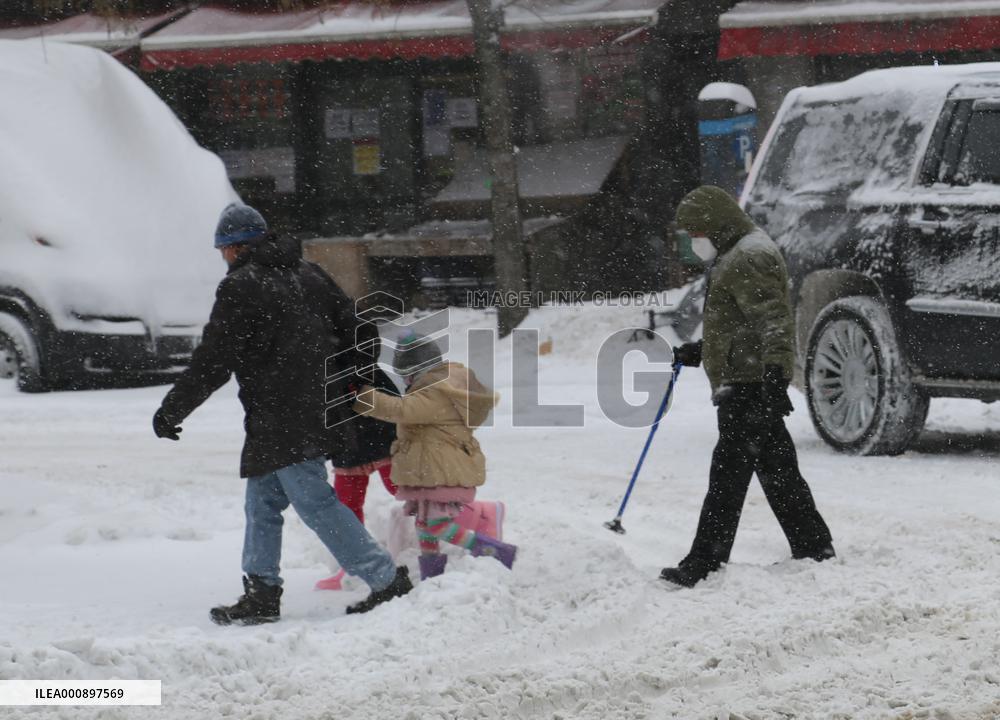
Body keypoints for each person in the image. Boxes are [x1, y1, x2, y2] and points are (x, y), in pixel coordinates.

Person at [152, 203, 412, 623]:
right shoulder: (310, 273)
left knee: (315, 503)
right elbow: (361, 329)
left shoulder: (240, 286)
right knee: (262, 502)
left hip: (283, 417)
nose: (224, 258)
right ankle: (262, 592)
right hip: (312, 409)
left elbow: (214, 359)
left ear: (234, 248)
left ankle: (385, 578)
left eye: (223, 251)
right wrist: (353, 379)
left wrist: (172, 409)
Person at [661, 185, 835, 588]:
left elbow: (774, 322)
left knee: (727, 478)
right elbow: (740, 324)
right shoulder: (736, 253)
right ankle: (814, 545)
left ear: (716, 225)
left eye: (696, 233)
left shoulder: (748, 256)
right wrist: (702, 350)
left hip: (749, 386)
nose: (693, 242)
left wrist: (775, 376)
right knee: (778, 472)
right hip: (748, 380)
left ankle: (704, 562)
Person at [354, 332, 516, 580]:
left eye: (407, 375)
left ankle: (496, 552)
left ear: (420, 370)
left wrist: (364, 396)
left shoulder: (435, 391)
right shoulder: (435, 386)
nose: (405, 381)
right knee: (424, 526)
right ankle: (432, 574)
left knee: (437, 525)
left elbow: (401, 410)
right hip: (432, 471)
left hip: (442, 471)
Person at [315, 362, 399, 591]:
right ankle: (356, 563)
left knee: (409, 491)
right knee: (346, 508)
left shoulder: (357, 358)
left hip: (379, 433)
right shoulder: (316, 362)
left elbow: (390, 400)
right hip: (347, 442)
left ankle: (468, 521)